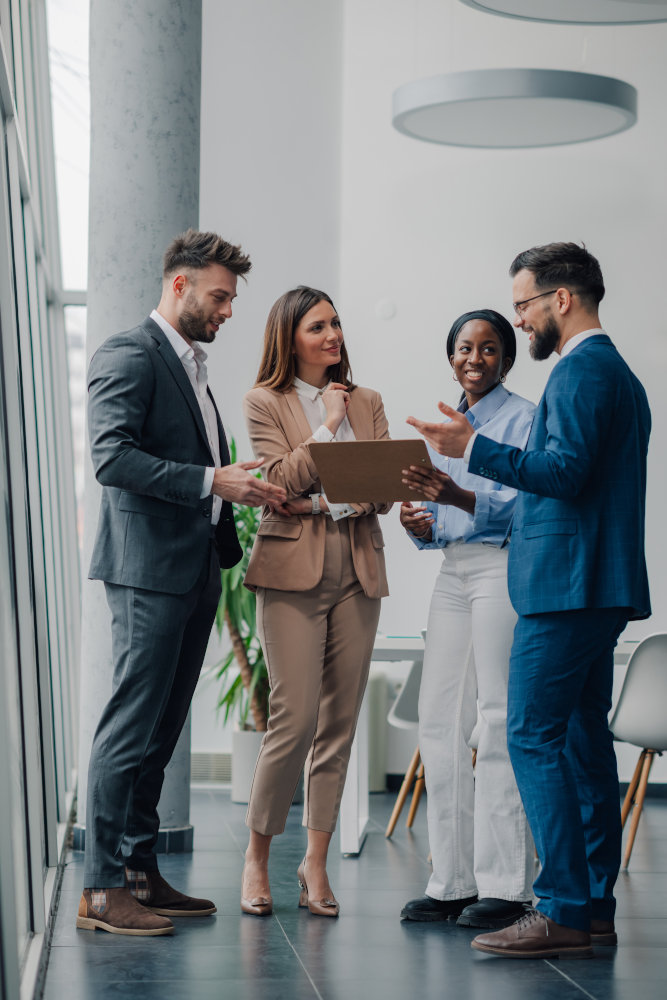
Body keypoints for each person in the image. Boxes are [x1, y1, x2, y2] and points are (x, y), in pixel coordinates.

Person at [407, 243, 651, 959]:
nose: (520, 320)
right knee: (577, 743)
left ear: (562, 300)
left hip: (565, 586)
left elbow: (564, 474)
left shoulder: (580, 372)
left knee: (528, 735)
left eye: (523, 305)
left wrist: (471, 445)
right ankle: (591, 905)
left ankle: (563, 908)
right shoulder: (612, 374)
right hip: (589, 584)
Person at [77, 229, 286, 937]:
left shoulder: (189, 365)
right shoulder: (129, 353)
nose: (227, 310)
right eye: (220, 297)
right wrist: (209, 480)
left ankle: (138, 872)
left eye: (230, 299)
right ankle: (102, 888)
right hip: (146, 572)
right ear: (179, 284)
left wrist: (234, 494)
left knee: (161, 733)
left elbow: (193, 465)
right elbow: (111, 459)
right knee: (129, 728)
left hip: (193, 567)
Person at [240, 285, 392, 917]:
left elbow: (382, 491)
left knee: (339, 723)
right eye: (318, 327)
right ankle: (256, 857)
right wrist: (328, 427)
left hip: (358, 568)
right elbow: (277, 484)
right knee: (293, 719)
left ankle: (315, 863)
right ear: (289, 337)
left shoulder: (371, 400)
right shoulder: (265, 401)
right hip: (291, 572)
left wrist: (328, 497)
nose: (332, 336)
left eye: (336, 325)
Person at [399, 310, 536, 930]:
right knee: (439, 719)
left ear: (507, 357)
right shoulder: (440, 425)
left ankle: (506, 886)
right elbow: (441, 519)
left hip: (502, 570)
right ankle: (451, 881)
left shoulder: (525, 418)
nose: (473, 358)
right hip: (453, 570)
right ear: (449, 356)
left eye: (488, 348)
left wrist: (452, 496)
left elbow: (523, 507)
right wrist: (419, 525)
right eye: (463, 347)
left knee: (498, 717)